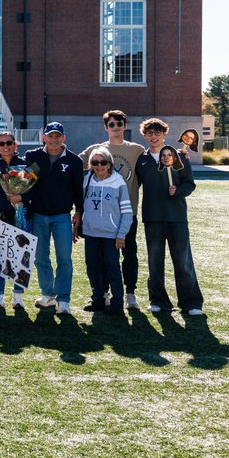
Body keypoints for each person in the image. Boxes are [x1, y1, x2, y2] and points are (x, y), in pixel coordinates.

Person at [135, 120, 205, 315]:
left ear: (164, 134)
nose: (154, 136)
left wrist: (178, 191)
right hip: (152, 217)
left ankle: (191, 303)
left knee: (183, 261)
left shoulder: (179, 156)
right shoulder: (142, 160)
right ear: (144, 135)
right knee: (154, 261)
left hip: (176, 217)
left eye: (157, 132)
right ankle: (158, 300)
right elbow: (134, 186)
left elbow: (189, 184)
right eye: (150, 133)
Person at [79, 110, 147, 309]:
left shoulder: (136, 149)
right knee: (103, 259)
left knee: (129, 255)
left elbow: (157, 158)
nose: (115, 127)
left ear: (125, 126)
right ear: (106, 127)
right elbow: (73, 162)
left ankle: (130, 294)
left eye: (119, 123)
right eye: (111, 124)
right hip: (101, 219)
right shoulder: (96, 150)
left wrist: (180, 154)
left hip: (127, 213)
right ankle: (103, 294)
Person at [23, 121, 84, 315]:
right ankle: (48, 294)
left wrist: (79, 212)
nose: (54, 140)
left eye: (58, 136)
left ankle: (63, 299)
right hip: (38, 215)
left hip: (62, 216)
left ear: (63, 138)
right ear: (44, 137)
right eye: (50, 136)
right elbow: (21, 176)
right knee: (41, 258)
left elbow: (78, 190)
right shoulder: (33, 156)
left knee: (64, 258)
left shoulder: (74, 161)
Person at [77, 145, 134, 314]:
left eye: (103, 162)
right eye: (95, 162)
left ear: (109, 163)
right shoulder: (87, 181)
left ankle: (117, 303)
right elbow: (80, 206)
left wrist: (121, 234)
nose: (99, 166)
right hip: (91, 233)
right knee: (92, 267)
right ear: (90, 165)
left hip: (111, 234)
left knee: (112, 268)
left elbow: (127, 211)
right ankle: (98, 299)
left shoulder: (118, 182)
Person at [0, 131, 29, 308]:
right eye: (1, 144)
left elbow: (34, 191)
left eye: (9, 143)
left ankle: (18, 296)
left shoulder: (25, 164)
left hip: (21, 216)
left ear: (15, 145)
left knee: (21, 257)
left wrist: (22, 198)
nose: (5, 146)